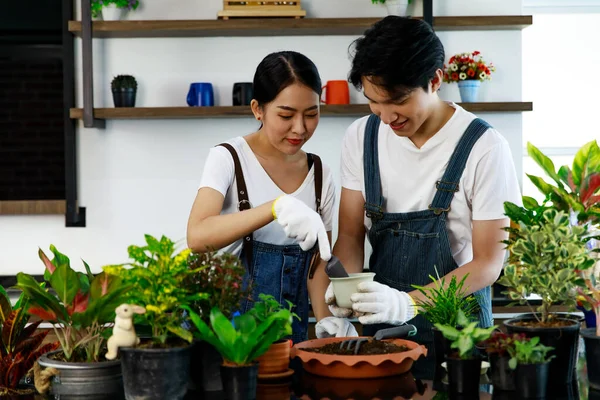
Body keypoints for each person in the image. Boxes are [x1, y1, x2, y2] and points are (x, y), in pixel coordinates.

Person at [320, 16, 522, 378]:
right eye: (373, 102)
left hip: (459, 331)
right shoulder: (360, 136)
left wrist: (408, 303)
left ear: (435, 80)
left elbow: (489, 263)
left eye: (397, 100)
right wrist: (344, 294)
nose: (385, 116)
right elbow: (350, 236)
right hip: (383, 329)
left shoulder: (484, 147)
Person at [186, 51, 357, 344]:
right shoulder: (228, 158)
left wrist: (327, 320)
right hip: (225, 332)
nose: (300, 128)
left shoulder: (320, 174)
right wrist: (275, 207)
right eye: (286, 115)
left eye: (312, 113)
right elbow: (197, 236)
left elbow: (317, 265)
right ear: (258, 109)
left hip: (291, 331)